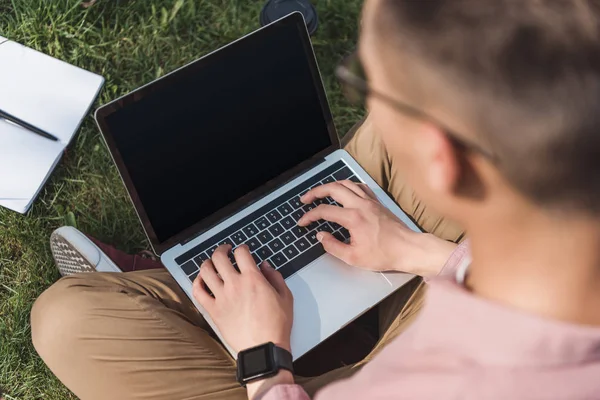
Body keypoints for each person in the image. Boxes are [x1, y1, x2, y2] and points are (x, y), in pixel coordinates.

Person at [31, 0, 600, 398]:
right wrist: (421, 253)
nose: (368, 98)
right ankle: (209, 286)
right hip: (439, 285)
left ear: (443, 157)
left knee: (66, 321)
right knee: (358, 166)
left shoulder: (450, 381)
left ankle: (194, 299)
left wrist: (266, 359)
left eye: (366, 80)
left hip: (330, 376)